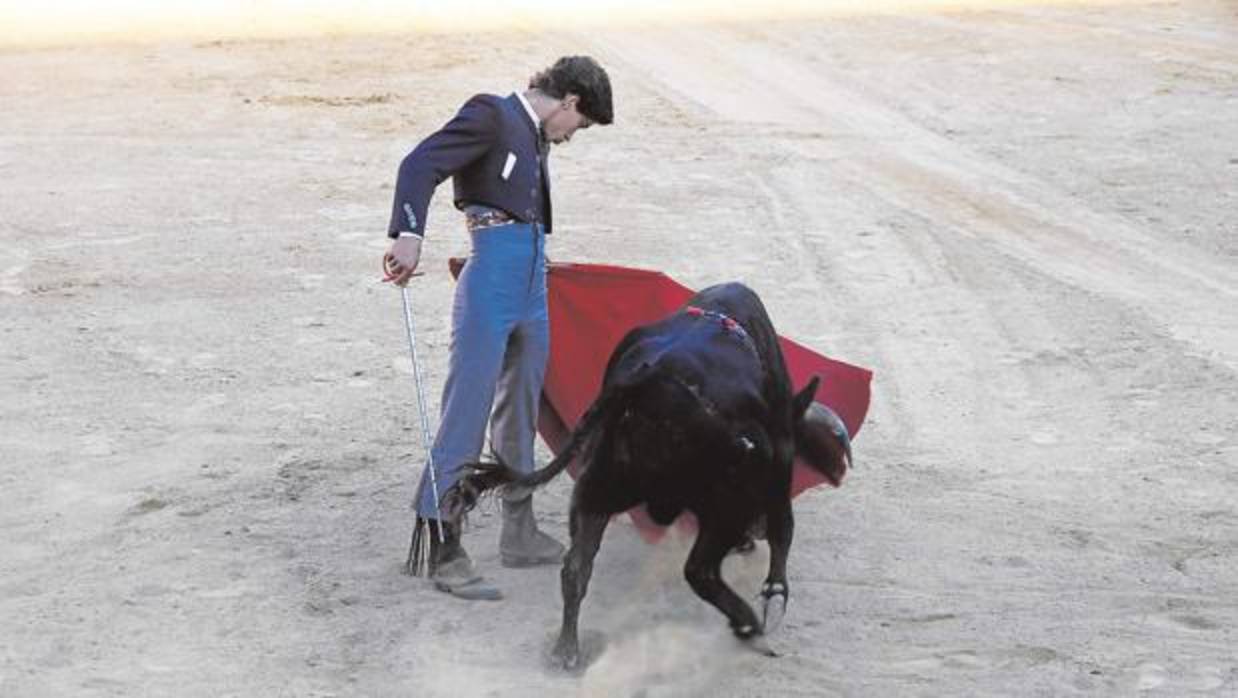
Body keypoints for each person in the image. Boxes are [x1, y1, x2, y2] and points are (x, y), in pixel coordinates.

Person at [382, 56, 613, 600]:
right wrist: (407, 234)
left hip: (532, 281)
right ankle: (442, 542)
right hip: (492, 278)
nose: (572, 137)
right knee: (469, 406)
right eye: (578, 125)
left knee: (521, 408)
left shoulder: (534, 135)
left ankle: (519, 529)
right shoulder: (491, 113)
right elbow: (419, 164)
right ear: (570, 102)